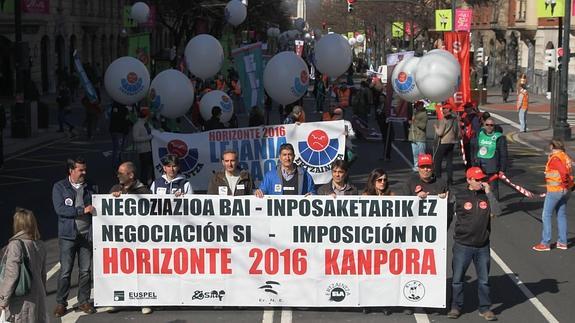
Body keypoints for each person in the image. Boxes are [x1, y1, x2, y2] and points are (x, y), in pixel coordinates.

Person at [447, 167, 501, 321]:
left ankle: (485, 309)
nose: (481, 182)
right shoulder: (459, 196)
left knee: (484, 280)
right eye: (477, 179)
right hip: (462, 245)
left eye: (482, 179)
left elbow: (497, 211)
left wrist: (489, 192)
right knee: (457, 279)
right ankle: (456, 307)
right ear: (468, 180)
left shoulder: (487, 196)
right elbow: (446, 214)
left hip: (482, 246)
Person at [52, 157, 97, 317]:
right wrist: (81, 210)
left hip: (86, 235)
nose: (84, 173)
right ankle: (60, 303)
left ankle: (83, 301)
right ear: (71, 170)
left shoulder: (91, 186)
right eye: (80, 170)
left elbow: (99, 203)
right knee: (65, 271)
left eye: (85, 169)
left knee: (85, 270)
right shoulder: (60, 187)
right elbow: (60, 209)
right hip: (68, 235)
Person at [107, 162, 153, 315]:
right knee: (120, 271)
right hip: (120, 240)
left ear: (131, 175)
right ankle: (119, 300)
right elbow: (105, 212)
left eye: (121, 173)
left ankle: (144, 302)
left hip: (140, 241)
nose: (118, 175)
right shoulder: (115, 189)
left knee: (141, 271)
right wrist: (112, 199)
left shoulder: (144, 191)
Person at [0, 208, 47, 322]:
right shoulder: (40, 244)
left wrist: (3, 300)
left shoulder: (15, 245)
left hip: (22, 299)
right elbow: (43, 274)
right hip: (38, 295)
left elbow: (12, 275)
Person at [532, 139, 574, 251]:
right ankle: (562, 242)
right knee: (561, 214)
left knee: (546, 215)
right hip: (566, 191)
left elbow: (563, 173)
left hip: (555, 190)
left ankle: (545, 243)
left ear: (552, 146)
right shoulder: (565, 156)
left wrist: (564, 184)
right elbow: (568, 172)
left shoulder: (555, 158)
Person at [471, 117, 508, 201]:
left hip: (492, 168)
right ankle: (482, 207)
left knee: (493, 189)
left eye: (491, 125)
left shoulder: (499, 138)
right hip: (479, 167)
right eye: (487, 125)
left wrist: (502, 169)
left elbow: (504, 154)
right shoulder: (479, 135)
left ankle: (493, 210)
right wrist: (473, 163)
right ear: (484, 125)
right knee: (479, 187)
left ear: (494, 126)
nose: (489, 127)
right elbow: (474, 149)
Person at [433, 105, 459, 185]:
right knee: (449, 161)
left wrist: (435, 127)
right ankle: (450, 180)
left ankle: (438, 178)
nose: (443, 110)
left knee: (437, 160)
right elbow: (457, 130)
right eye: (443, 108)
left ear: (448, 109)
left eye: (445, 108)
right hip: (452, 141)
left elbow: (440, 133)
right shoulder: (454, 119)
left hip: (444, 141)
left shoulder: (443, 120)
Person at [132, 107, 154, 185]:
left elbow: (153, 132)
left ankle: (152, 181)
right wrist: (148, 137)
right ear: (146, 116)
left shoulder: (147, 124)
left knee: (152, 167)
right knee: (145, 168)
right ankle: (144, 183)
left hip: (151, 149)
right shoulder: (137, 125)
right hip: (143, 150)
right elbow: (135, 138)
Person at [109, 101, 132, 167]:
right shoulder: (118, 104)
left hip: (120, 129)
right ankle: (117, 167)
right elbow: (117, 116)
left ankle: (118, 166)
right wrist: (127, 113)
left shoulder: (117, 103)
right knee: (118, 150)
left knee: (119, 149)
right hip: (119, 130)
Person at [408, 101, 428, 172]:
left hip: (420, 137)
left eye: (418, 105)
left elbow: (423, 126)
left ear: (422, 106)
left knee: (421, 154)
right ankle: (416, 166)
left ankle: (423, 166)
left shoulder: (424, 114)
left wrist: (414, 121)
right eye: (416, 106)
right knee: (415, 154)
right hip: (413, 137)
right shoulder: (415, 113)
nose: (417, 107)